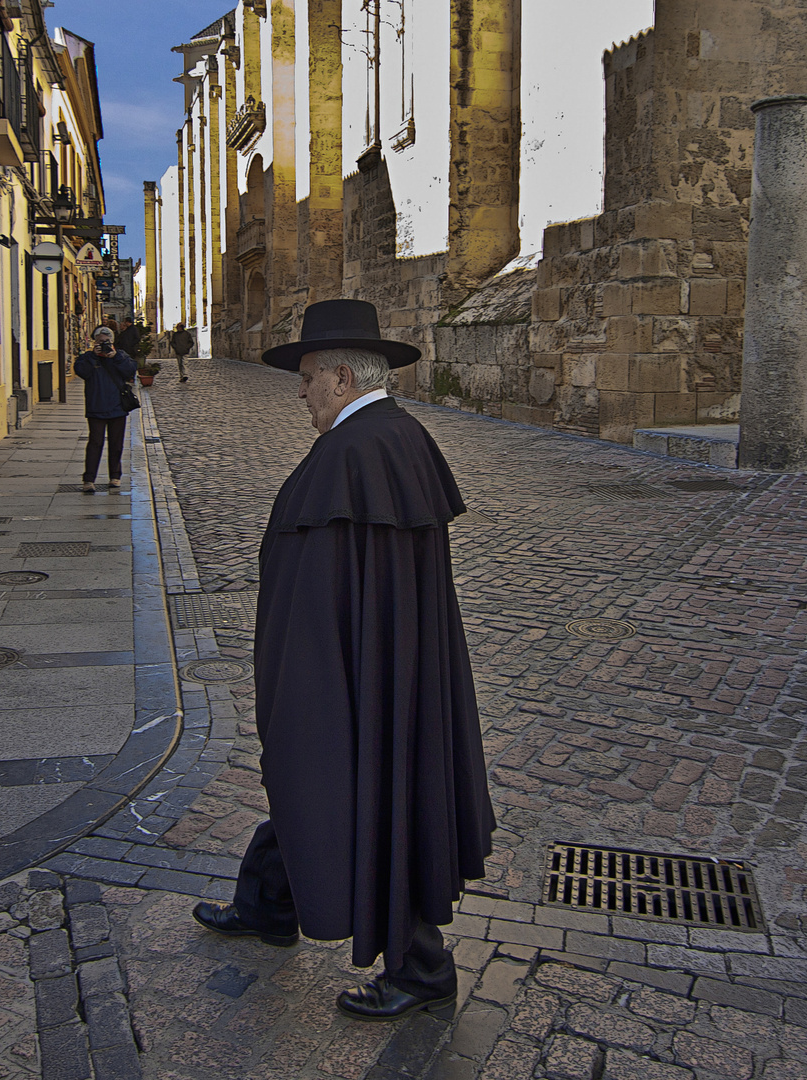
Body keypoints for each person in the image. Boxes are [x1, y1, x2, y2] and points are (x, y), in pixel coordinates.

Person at [190, 298, 495, 1021]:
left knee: (364, 784)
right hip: (376, 659)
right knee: (314, 780)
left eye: (303, 380)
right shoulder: (396, 437)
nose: (299, 394)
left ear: (336, 376)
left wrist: (308, 679)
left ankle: (421, 968)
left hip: (351, 668)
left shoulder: (358, 450)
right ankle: (267, 902)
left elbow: (331, 585)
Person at [71, 325, 137, 492]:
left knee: (116, 444)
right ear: (95, 342)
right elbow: (81, 371)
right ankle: (89, 479)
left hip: (117, 407)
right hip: (96, 406)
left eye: (107, 341)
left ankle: (115, 477)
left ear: (112, 342)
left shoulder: (120, 356)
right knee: (95, 443)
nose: (104, 344)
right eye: (100, 342)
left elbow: (130, 371)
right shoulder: (88, 358)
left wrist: (115, 357)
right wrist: (94, 356)